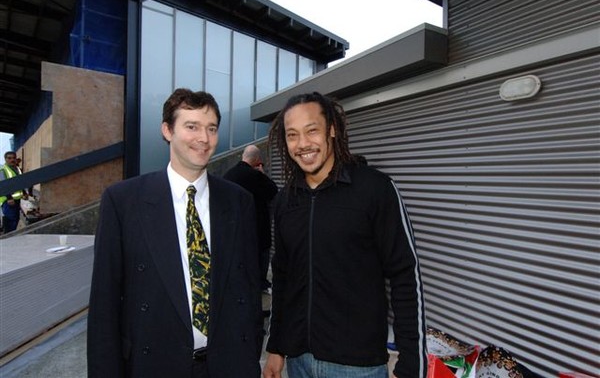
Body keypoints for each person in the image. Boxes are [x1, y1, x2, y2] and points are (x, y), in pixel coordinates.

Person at [87, 88, 263, 377]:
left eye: (211, 128)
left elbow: (249, 285)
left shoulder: (238, 200)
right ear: (167, 130)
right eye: (191, 126)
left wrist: (250, 351)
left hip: (229, 365)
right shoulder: (123, 201)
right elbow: (104, 305)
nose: (204, 139)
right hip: (155, 365)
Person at [262, 92, 428, 378]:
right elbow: (283, 280)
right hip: (299, 361)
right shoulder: (285, 201)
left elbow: (405, 274)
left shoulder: (375, 189)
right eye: (292, 135)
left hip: (357, 367)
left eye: (311, 130)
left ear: (332, 130)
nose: (302, 144)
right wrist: (275, 347)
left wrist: (412, 363)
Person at [224, 145, 278, 293]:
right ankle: (262, 284)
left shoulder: (228, 175)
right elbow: (273, 191)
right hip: (257, 225)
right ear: (256, 160)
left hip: (235, 225)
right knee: (261, 254)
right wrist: (263, 174)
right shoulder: (256, 176)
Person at [0, 151, 28, 233]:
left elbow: (20, 183)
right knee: (10, 221)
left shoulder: (17, 169)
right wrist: (9, 198)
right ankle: (7, 240)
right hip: (8, 201)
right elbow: (3, 185)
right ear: (5, 159)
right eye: (9, 158)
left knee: (15, 219)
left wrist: (24, 193)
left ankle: (10, 239)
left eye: (13, 158)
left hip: (16, 200)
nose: (12, 160)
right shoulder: (3, 170)